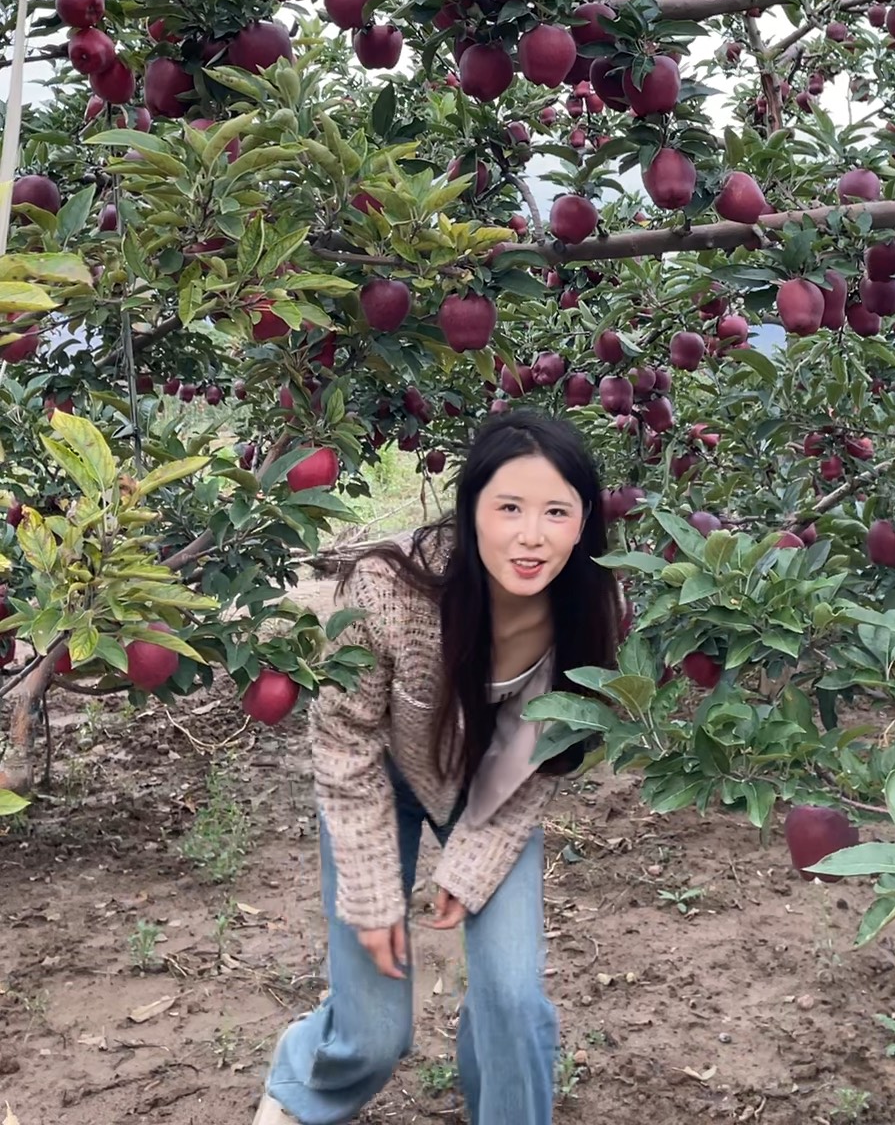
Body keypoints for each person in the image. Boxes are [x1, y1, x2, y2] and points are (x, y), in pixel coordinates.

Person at [255, 408, 622, 1125]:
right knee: (373, 1027)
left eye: (555, 511)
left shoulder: (594, 613)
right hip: (381, 773)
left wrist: (471, 864)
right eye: (508, 508)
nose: (530, 535)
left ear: (584, 524)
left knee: (511, 998)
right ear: (470, 510)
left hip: (493, 786)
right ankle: (300, 1083)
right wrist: (370, 892)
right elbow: (343, 739)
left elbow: (544, 760)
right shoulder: (392, 590)